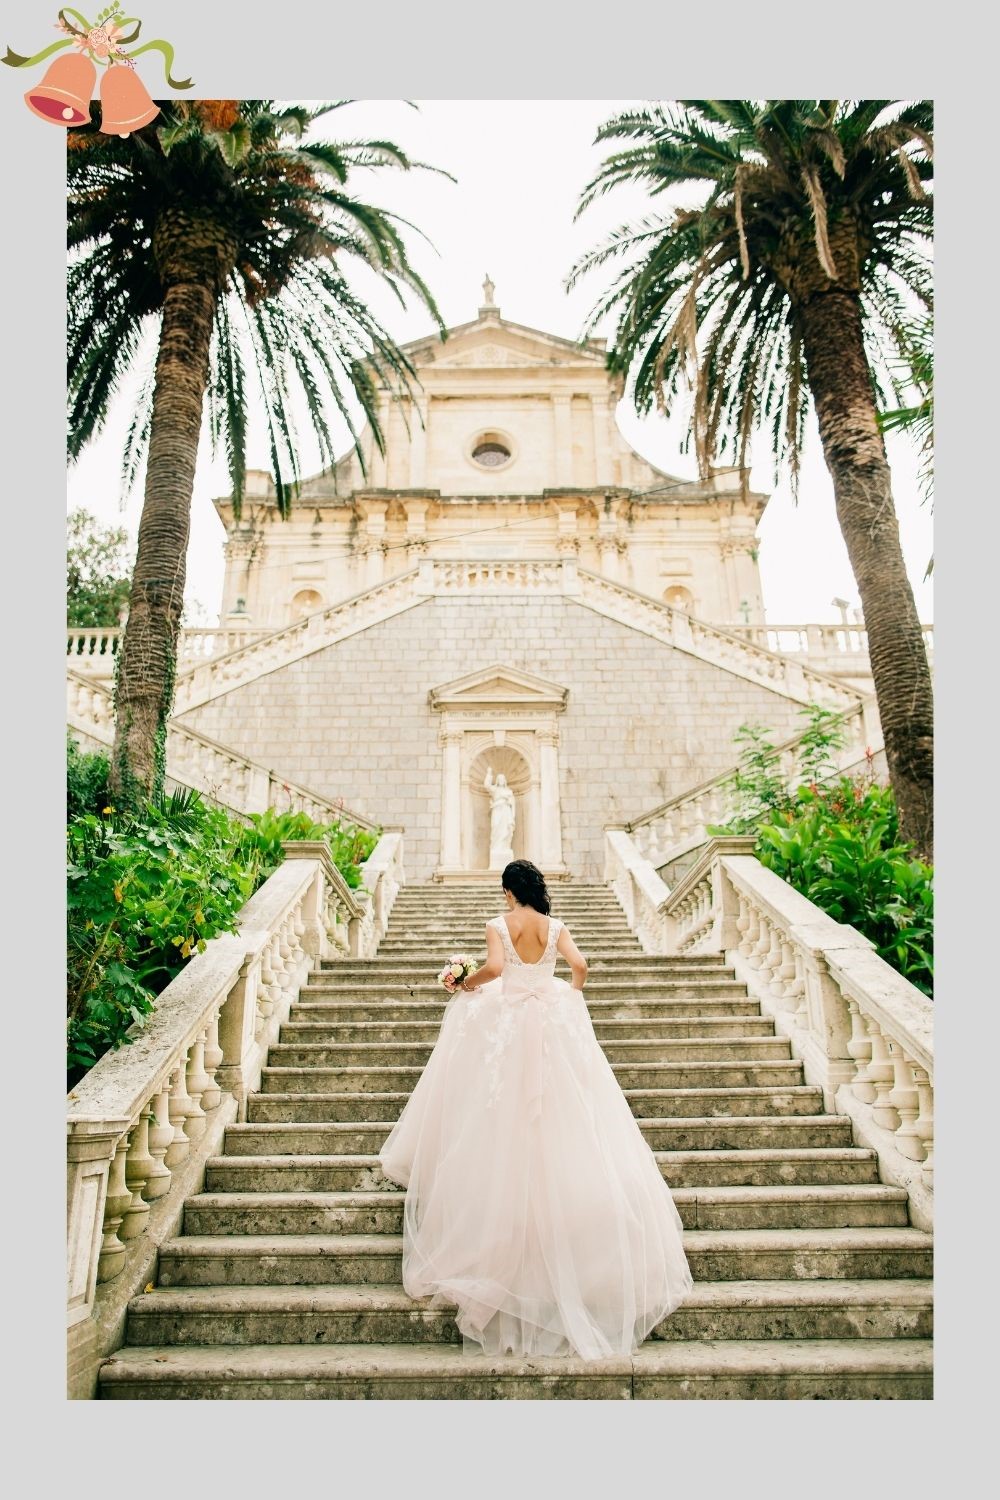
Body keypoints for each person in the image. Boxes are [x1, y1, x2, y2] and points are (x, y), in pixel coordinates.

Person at [379, 858, 693, 1359]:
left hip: (509, 1022)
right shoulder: (555, 926)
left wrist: (466, 982)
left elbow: (499, 971)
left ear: (509, 892)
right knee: (567, 1118)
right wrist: (564, 998)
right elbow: (582, 968)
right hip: (549, 1021)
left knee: (498, 1114)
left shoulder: (499, 924)